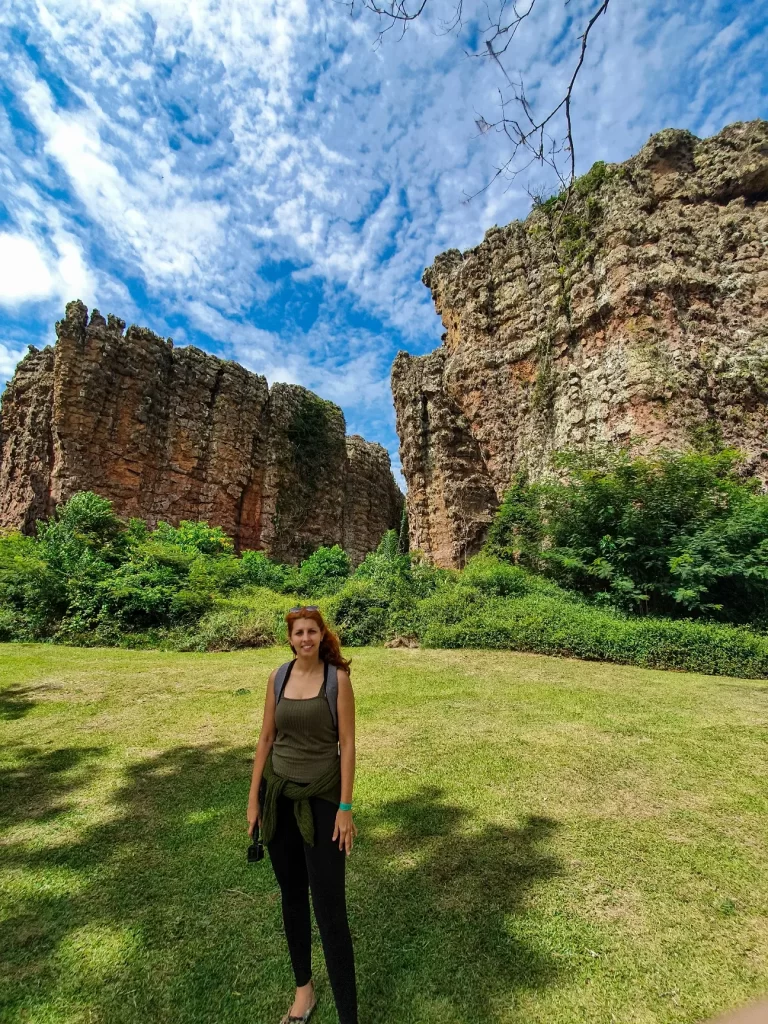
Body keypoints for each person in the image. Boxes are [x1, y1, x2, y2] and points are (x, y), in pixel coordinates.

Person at [248, 605, 359, 1024]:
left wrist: (345, 808)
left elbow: (346, 745)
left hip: (324, 800)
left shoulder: (337, 681)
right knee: (292, 897)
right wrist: (254, 798)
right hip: (279, 797)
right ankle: (304, 992)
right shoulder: (278, 677)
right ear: (290, 638)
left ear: (321, 635)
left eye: (312, 631)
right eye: (298, 632)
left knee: (330, 909)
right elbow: (266, 738)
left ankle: (349, 1014)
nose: (305, 638)